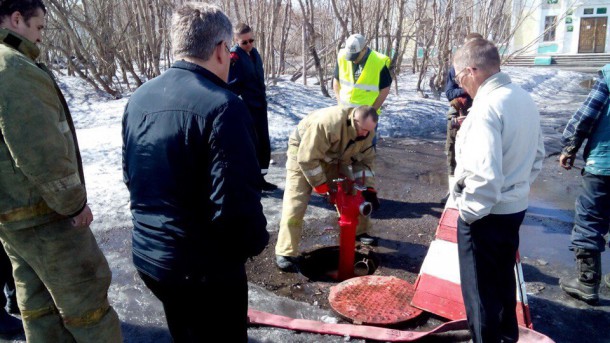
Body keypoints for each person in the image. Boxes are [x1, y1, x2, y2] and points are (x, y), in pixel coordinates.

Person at [122, 3, 269, 342]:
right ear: (221, 50)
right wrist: (255, 241)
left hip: (151, 257)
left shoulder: (139, 98)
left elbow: (132, 177)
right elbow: (235, 205)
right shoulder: (223, 105)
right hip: (202, 270)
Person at [0, 0, 123, 341]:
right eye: (38, 27)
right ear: (16, 19)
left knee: (37, 307)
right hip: (44, 216)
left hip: (11, 219)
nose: (40, 38)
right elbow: (42, 153)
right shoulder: (12, 68)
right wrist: (73, 205)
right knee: (89, 306)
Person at [450, 38, 544, 343]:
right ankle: (506, 337)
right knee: (503, 282)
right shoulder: (522, 98)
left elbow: (484, 177)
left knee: (480, 295)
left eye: (459, 77)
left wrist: (468, 213)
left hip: (485, 216)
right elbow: (538, 155)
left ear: (472, 70)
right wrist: (517, 188)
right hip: (513, 208)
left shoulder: (486, 109)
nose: (460, 85)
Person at [275, 105, 381, 271]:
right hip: (303, 152)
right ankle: (285, 251)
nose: (365, 134)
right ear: (353, 120)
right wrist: (321, 184)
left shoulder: (367, 131)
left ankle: (360, 231)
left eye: (369, 131)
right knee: (296, 201)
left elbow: (365, 162)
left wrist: (368, 189)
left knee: (352, 192)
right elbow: (307, 159)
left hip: (335, 156)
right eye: (362, 129)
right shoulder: (328, 123)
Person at [558, 63, 610, 304]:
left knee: (590, 218)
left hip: (604, 163)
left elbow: (587, 114)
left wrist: (570, 145)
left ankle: (587, 282)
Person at [228, 23, 277, 192]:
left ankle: (261, 179)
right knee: (250, 145)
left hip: (260, 106)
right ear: (236, 41)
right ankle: (250, 183)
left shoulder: (254, 54)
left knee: (263, 143)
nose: (249, 44)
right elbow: (231, 86)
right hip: (247, 108)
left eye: (251, 40)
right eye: (244, 42)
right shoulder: (234, 57)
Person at [333, 34, 392, 144]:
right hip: (346, 113)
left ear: (364, 49)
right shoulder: (342, 56)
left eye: (355, 56)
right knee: (344, 149)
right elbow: (336, 81)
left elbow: (385, 89)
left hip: (366, 117)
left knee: (366, 149)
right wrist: (339, 103)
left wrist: (372, 111)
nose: (353, 60)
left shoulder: (378, 61)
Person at [444, 33, 483, 195]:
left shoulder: (486, 67)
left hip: (480, 113)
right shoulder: (455, 68)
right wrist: (466, 90)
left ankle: (476, 189)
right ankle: (452, 189)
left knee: (478, 151)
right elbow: (449, 93)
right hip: (457, 113)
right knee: (452, 150)